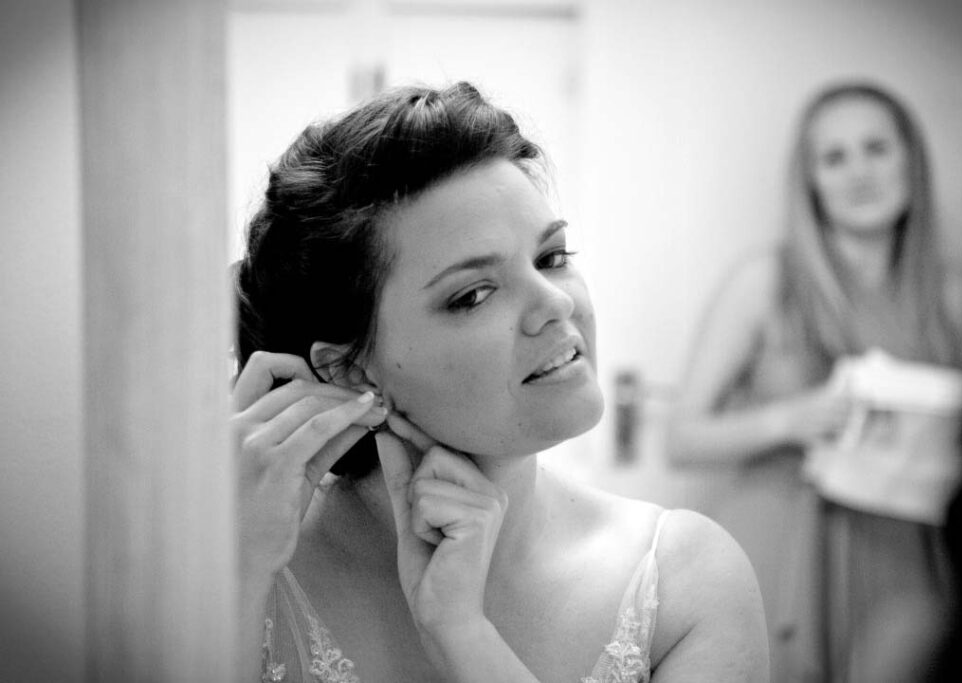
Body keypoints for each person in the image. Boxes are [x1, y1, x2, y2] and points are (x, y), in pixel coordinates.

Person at [232, 82, 769, 682]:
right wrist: (237, 571)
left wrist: (462, 635)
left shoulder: (686, 582)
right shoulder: (248, 570)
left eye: (552, 258)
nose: (555, 304)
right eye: (473, 294)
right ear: (352, 370)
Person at [664, 82, 962, 681]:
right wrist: (792, 418)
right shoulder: (764, 283)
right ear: (809, 181)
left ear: (911, 160)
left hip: (905, 560)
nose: (859, 172)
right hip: (779, 550)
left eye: (876, 148)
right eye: (834, 157)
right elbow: (682, 439)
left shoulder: (956, 298)